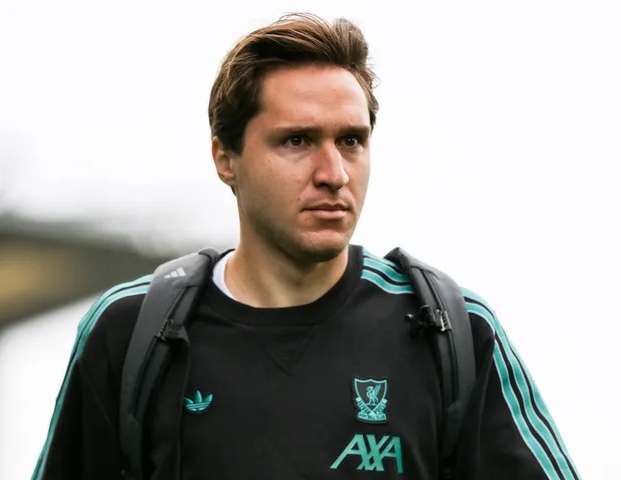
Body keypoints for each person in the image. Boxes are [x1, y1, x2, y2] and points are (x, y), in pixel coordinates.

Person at [32, 12, 580, 480]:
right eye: (297, 140)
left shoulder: (451, 330)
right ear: (225, 158)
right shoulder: (131, 332)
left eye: (351, 140)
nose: (334, 173)